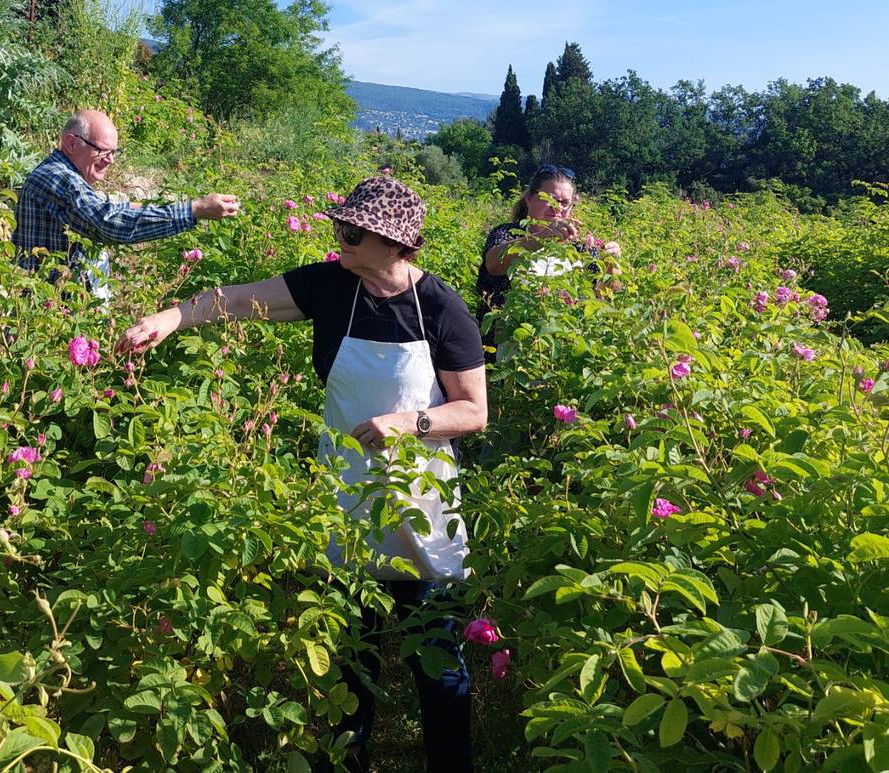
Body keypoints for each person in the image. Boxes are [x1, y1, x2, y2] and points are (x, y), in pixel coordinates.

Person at [118, 175, 487, 772]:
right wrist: (173, 318)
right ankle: (347, 762)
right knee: (350, 652)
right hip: (344, 487)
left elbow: (473, 411)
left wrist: (408, 423)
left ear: (394, 244)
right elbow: (236, 299)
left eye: (353, 230)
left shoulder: (441, 307)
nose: (338, 235)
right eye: (341, 224)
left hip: (418, 494)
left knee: (436, 655)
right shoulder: (331, 285)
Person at [12, 109, 239, 294]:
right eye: (103, 151)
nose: (110, 160)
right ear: (72, 143)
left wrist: (142, 206)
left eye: (114, 152)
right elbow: (107, 222)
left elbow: (98, 208)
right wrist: (194, 210)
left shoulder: (63, 175)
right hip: (46, 311)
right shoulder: (58, 178)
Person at [476, 165, 619, 337]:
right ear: (529, 199)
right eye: (550, 199)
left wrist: (611, 266)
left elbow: (605, 295)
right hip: (507, 347)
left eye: (565, 202)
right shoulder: (508, 233)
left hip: (563, 346)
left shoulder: (580, 248)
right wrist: (543, 237)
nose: (557, 208)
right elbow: (493, 264)